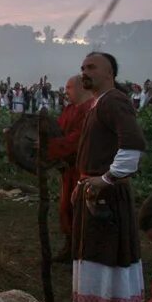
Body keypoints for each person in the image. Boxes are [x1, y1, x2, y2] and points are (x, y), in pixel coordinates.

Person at [73, 52, 147, 302]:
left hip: (108, 195)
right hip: (96, 190)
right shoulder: (98, 104)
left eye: (91, 67)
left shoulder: (114, 101)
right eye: (82, 68)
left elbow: (133, 146)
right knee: (101, 253)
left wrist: (106, 179)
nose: (84, 72)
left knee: (113, 255)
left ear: (110, 73)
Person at [45, 75, 94, 262]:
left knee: (82, 207)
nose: (66, 91)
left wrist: (48, 146)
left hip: (84, 168)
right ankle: (71, 245)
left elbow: (77, 139)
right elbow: (57, 131)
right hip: (68, 168)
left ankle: (84, 249)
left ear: (81, 87)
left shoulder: (90, 110)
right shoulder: (70, 109)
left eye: (69, 87)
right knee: (66, 207)